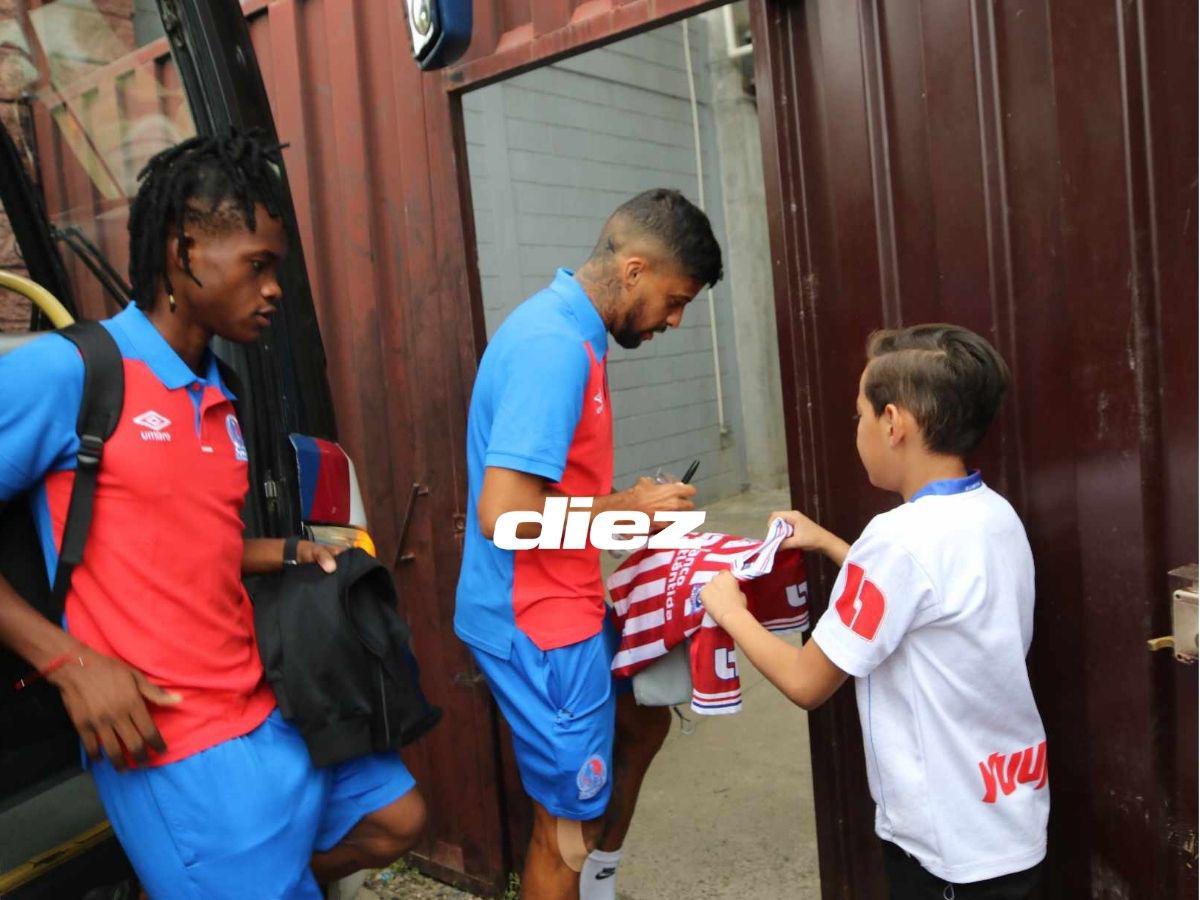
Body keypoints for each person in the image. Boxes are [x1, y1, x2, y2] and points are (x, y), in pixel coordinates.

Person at [0, 131, 425, 898]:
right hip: (174, 742)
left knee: (398, 820)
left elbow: (186, 542)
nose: (274, 290)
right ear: (184, 250)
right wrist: (67, 662)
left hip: (270, 704)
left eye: (277, 269)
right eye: (258, 266)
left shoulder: (220, 393)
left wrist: (285, 553)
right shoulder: (70, 372)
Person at [701, 324, 1048, 899]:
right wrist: (833, 545)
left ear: (893, 424)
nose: (857, 430)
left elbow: (808, 681)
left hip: (946, 856)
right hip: (1008, 821)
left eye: (858, 415)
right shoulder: (994, 514)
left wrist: (731, 610)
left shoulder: (895, 541)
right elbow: (926, 600)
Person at [455, 188, 722, 899]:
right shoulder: (553, 349)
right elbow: (505, 515)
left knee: (642, 722)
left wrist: (633, 518)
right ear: (634, 270)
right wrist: (625, 508)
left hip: (565, 597)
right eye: (675, 300)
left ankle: (596, 886)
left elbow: (554, 499)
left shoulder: (575, 333)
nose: (675, 319)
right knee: (566, 828)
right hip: (537, 620)